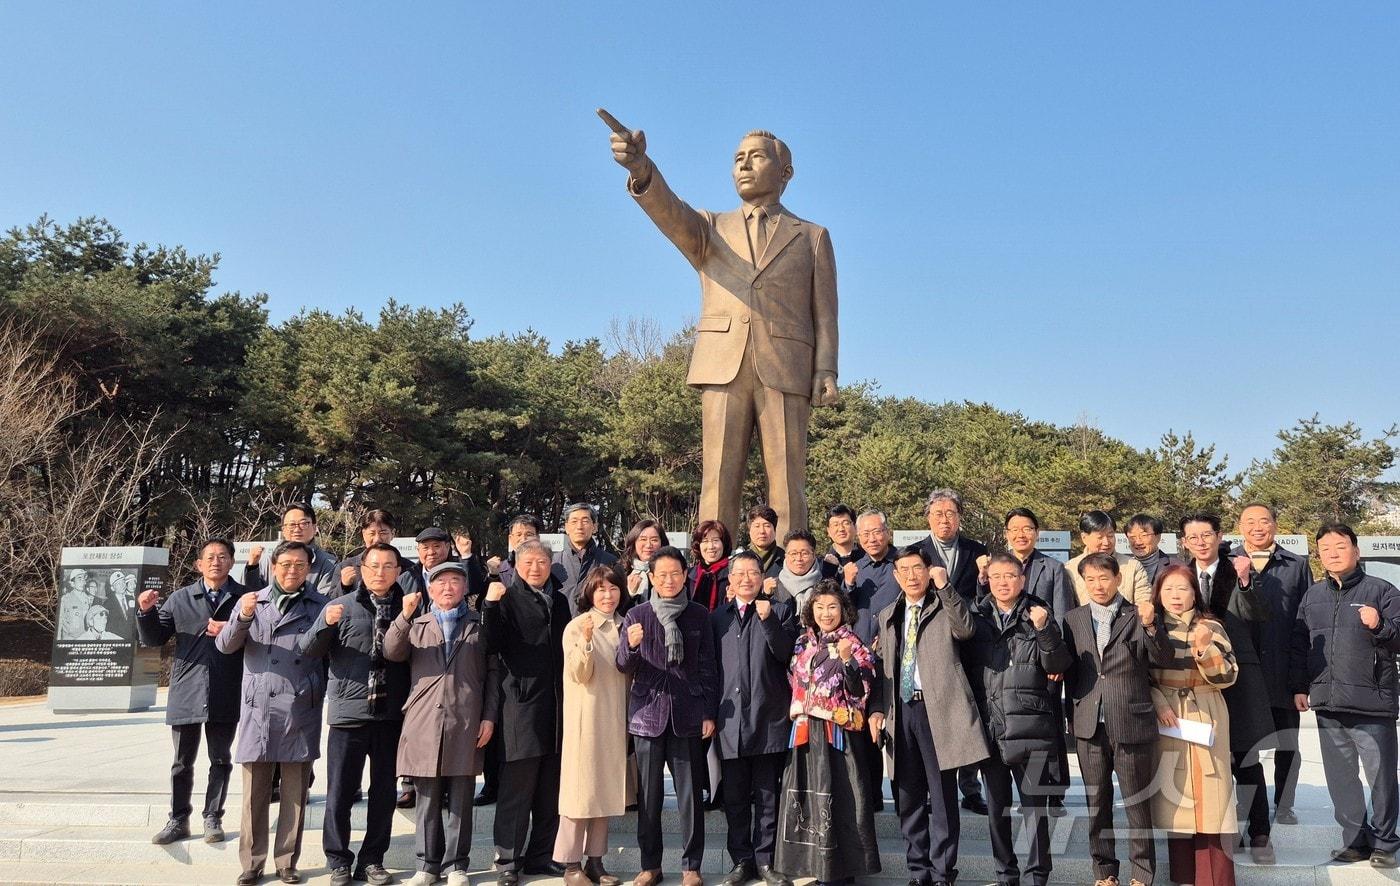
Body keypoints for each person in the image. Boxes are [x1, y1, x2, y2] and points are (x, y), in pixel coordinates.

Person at [608, 120, 838, 538]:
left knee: (787, 480)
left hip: (787, 365)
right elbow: (669, 210)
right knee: (716, 477)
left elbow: (825, 313)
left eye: (757, 156)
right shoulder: (710, 228)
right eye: (737, 159)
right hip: (722, 363)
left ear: (785, 172)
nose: (744, 165)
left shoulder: (812, 236)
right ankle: (709, 567)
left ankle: (790, 570)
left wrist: (826, 370)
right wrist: (641, 170)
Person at [869, 545, 990, 886]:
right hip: (901, 711)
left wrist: (946, 587)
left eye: (917, 568)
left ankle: (942, 872)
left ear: (929, 570)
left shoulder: (944, 605)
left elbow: (966, 630)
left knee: (942, 796)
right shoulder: (889, 614)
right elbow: (883, 669)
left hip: (938, 710)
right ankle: (918, 870)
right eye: (904, 570)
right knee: (907, 796)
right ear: (896, 576)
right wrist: (878, 710)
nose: (911, 575)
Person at [216, 540, 331, 886]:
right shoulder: (251, 601)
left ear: (308, 568)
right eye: (285, 564)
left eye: (299, 564)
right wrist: (243, 616)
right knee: (254, 792)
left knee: (295, 791)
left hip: (299, 705)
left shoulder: (322, 605)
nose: (292, 570)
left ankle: (286, 862)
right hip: (258, 706)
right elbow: (225, 645)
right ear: (273, 567)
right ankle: (251, 862)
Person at [299, 543, 410, 886]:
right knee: (341, 792)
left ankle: (372, 860)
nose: (380, 572)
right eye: (374, 565)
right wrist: (325, 626)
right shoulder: (339, 606)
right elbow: (308, 649)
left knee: (383, 794)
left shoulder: (410, 608)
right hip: (349, 714)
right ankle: (338, 860)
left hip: (391, 716)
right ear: (362, 570)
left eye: (388, 566)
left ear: (397, 571)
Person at [1291, 522, 1400, 867]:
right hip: (1328, 701)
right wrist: (1299, 686)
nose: (1332, 554)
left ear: (1355, 550)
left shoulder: (1382, 591)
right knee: (1340, 777)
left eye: (1340, 546)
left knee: (1381, 776)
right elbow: (1299, 645)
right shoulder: (1312, 596)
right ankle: (1355, 840)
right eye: (1325, 549)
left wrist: (1380, 625)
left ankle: (1385, 842)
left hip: (1373, 703)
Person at [385, 560, 500, 886]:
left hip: (466, 720)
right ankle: (426, 865)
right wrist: (404, 616)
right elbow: (391, 651)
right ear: (430, 589)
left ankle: (456, 866)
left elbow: (493, 674)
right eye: (441, 582)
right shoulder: (416, 623)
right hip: (424, 722)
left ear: (465, 589)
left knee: (461, 800)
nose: (448, 587)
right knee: (427, 800)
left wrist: (489, 716)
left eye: (455, 582)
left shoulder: (480, 625)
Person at [965, 553, 1073, 886]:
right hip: (992, 727)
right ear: (988, 579)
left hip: (1033, 729)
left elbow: (1057, 664)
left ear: (1021, 579)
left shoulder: (1039, 614)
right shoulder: (975, 616)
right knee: (997, 811)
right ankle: (1005, 874)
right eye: (996, 576)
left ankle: (1038, 876)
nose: (1003, 582)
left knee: (1035, 811)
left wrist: (1044, 630)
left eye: (1009, 576)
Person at [616, 545, 719, 886]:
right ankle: (650, 865)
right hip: (647, 715)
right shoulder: (637, 615)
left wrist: (708, 712)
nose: (670, 580)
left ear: (686, 575)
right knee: (649, 796)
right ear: (651, 578)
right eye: (662, 575)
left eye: (676, 573)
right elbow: (622, 665)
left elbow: (708, 668)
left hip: (688, 714)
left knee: (690, 797)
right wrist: (631, 645)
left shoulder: (699, 614)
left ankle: (692, 866)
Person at [1178, 513, 1275, 863]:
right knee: (1206, 758)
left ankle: (1260, 832)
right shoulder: (1179, 575)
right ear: (1184, 542)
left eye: (1208, 534)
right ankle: (1219, 830)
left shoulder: (1239, 569)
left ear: (1219, 536)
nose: (1201, 541)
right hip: (1193, 677)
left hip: (1238, 674)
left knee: (1245, 756)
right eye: (1194, 536)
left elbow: (1259, 614)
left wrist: (1247, 582)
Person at [1063, 552, 1164, 886]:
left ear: (1118, 578)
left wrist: (1150, 625)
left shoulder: (1138, 615)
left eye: (1104, 578)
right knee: (1097, 802)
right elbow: (1069, 670)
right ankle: (1104, 871)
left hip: (1130, 720)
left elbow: (1157, 656)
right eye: (1090, 579)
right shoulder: (1074, 619)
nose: (1098, 585)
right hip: (1089, 724)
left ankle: (1142, 874)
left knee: (1137, 801)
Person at [136, 537, 244, 846]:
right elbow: (155, 638)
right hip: (187, 688)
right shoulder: (181, 598)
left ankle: (213, 817)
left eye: (222, 556)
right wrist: (146, 612)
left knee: (220, 758)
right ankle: (178, 819)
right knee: (182, 761)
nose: (215, 561)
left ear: (231, 562)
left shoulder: (244, 598)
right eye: (209, 557)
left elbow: (258, 639)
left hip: (227, 687)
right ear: (198, 564)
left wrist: (232, 630)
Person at [774, 580, 881, 886]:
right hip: (806, 731)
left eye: (832, 606)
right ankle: (814, 866)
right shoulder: (803, 643)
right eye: (819, 607)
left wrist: (847, 659)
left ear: (844, 610)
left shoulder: (855, 644)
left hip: (839, 735)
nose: (825, 613)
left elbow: (861, 688)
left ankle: (840, 871)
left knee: (841, 800)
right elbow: (793, 680)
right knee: (806, 798)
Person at [482, 539, 572, 885]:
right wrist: (489, 607)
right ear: (516, 565)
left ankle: (540, 856)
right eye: (529, 562)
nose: (536, 568)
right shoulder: (504, 598)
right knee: (516, 789)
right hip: (519, 704)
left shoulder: (559, 600)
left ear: (551, 564)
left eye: (542, 562)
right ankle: (507, 860)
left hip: (555, 705)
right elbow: (490, 644)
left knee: (549, 788)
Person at [711, 551, 799, 886]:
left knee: (766, 795)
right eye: (740, 573)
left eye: (753, 572)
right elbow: (710, 671)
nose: (747, 578)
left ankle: (766, 861)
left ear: (763, 578)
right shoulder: (717, 618)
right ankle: (741, 861)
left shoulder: (780, 611)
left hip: (769, 719)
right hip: (729, 722)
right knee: (734, 797)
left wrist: (769, 620)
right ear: (730, 579)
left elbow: (786, 653)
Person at [1148, 564, 1239, 886]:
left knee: (1213, 797)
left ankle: (1216, 879)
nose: (1176, 596)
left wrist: (1204, 648)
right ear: (1158, 593)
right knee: (1178, 797)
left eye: (1183, 589)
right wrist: (1158, 702)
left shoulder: (1210, 625)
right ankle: (1184, 877)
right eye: (1169, 588)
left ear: (1194, 594)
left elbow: (1227, 677)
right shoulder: (1149, 626)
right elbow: (1136, 675)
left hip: (1205, 710)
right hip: (1168, 716)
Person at [1231, 502, 1313, 824]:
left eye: (1264, 521)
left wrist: (1301, 682)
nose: (1257, 527)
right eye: (1249, 522)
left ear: (1275, 525)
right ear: (1240, 527)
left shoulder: (1296, 564)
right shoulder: (1227, 563)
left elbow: (1305, 624)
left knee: (1287, 746)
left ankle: (1285, 805)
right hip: (1242, 673)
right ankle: (1248, 804)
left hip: (1283, 671)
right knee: (1242, 748)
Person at [913, 488, 990, 814]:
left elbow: (984, 597)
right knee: (934, 715)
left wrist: (984, 579)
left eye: (951, 513)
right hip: (931, 643)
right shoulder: (917, 552)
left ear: (960, 517)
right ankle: (934, 790)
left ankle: (970, 788)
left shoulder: (977, 550)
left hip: (969, 641)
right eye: (938, 513)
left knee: (967, 714)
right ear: (928, 517)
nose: (944, 519)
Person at [556, 566, 631, 886]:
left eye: (613, 589)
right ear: (590, 593)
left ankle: (595, 861)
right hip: (585, 721)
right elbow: (579, 674)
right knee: (579, 793)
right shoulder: (578, 625)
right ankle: (571, 865)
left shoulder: (626, 625)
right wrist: (587, 642)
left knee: (603, 792)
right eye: (601, 589)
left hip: (615, 720)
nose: (608, 595)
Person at [1001, 507, 1075, 818]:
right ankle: (1027, 792)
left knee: (1049, 726)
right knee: (1018, 729)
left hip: (1043, 658)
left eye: (1027, 528)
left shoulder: (1053, 568)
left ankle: (1054, 792)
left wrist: (1056, 657)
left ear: (1037, 533)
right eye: (1015, 529)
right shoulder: (998, 566)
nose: (1021, 534)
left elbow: (1063, 615)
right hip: (1011, 661)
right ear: (1006, 535)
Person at [244, 503, 340, 597]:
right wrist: (252, 568)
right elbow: (253, 596)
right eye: (291, 524)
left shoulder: (329, 563)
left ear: (314, 528)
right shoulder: (267, 560)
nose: (297, 529)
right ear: (283, 530)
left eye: (303, 523)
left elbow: (324, 602)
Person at [1066, 511, 1152, 605]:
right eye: (1100, 537)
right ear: (1084, 538)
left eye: (1110, 536)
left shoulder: (1132, 566)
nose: (1106, 542)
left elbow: (1144, 601)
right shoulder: (1071, 568)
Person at [553, 503, 619, 617]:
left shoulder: (610, 562)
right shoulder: (553, 562)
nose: (579, 526)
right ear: (566, 527)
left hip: (598, 628)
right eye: (574, 521)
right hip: (561, 630)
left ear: (595, 527)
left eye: (585, 521)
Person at [337, 509, 411, 596]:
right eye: (372, 533)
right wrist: (344, 586)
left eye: (383, 533)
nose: (377, 539)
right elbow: (331, 602)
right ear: (364, 534)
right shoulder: (346, 566)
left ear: (393, 534)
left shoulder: (409, 569)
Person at [488, 514, 545, 590]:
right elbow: (486, 600)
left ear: (538, 538)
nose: (524, 539)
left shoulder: (546, 568)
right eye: (519, 535)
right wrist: (493, 576)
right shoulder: (499, 570)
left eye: (529, 534)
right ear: (510, 539)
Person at [621, 519, 670, 603]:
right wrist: (631, 593)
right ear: (634, 542)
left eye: (654, 540)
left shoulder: (669, 571)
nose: (648, 545)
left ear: (662, 543)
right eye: (643, 539)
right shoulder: (621, 571)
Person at [774, 529, 822, 612]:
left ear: (813, 555)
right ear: (786, 556)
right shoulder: (774, 586)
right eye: (793, 553)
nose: (799, 558)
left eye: (804, 553)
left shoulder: (826, 583)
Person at [690, 519, 733, 612]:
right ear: (698, 545)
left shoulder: (734, 574)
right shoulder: (689, 576)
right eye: (705, 541)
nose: (711, 546)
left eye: (715, 540)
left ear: (724, 544)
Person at [1125, 514, 1177, 586]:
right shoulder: (1122, 567)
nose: (1138, 542)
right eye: (1132, 537)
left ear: (1158, 537)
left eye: (1144, 536)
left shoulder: (1176, 567)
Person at [738, 505, 785, 578]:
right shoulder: (739, 560)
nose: (762, 531)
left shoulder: (785, 560)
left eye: (767, 526)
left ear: (774, 530)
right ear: (749, 531)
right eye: (757, 526)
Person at [821, 504, 861, 579]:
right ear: (828, 531)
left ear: (855, 527)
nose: (841, 529)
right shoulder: (822, 563)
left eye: (846, 523)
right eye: (835, 525)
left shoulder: (867, 557)